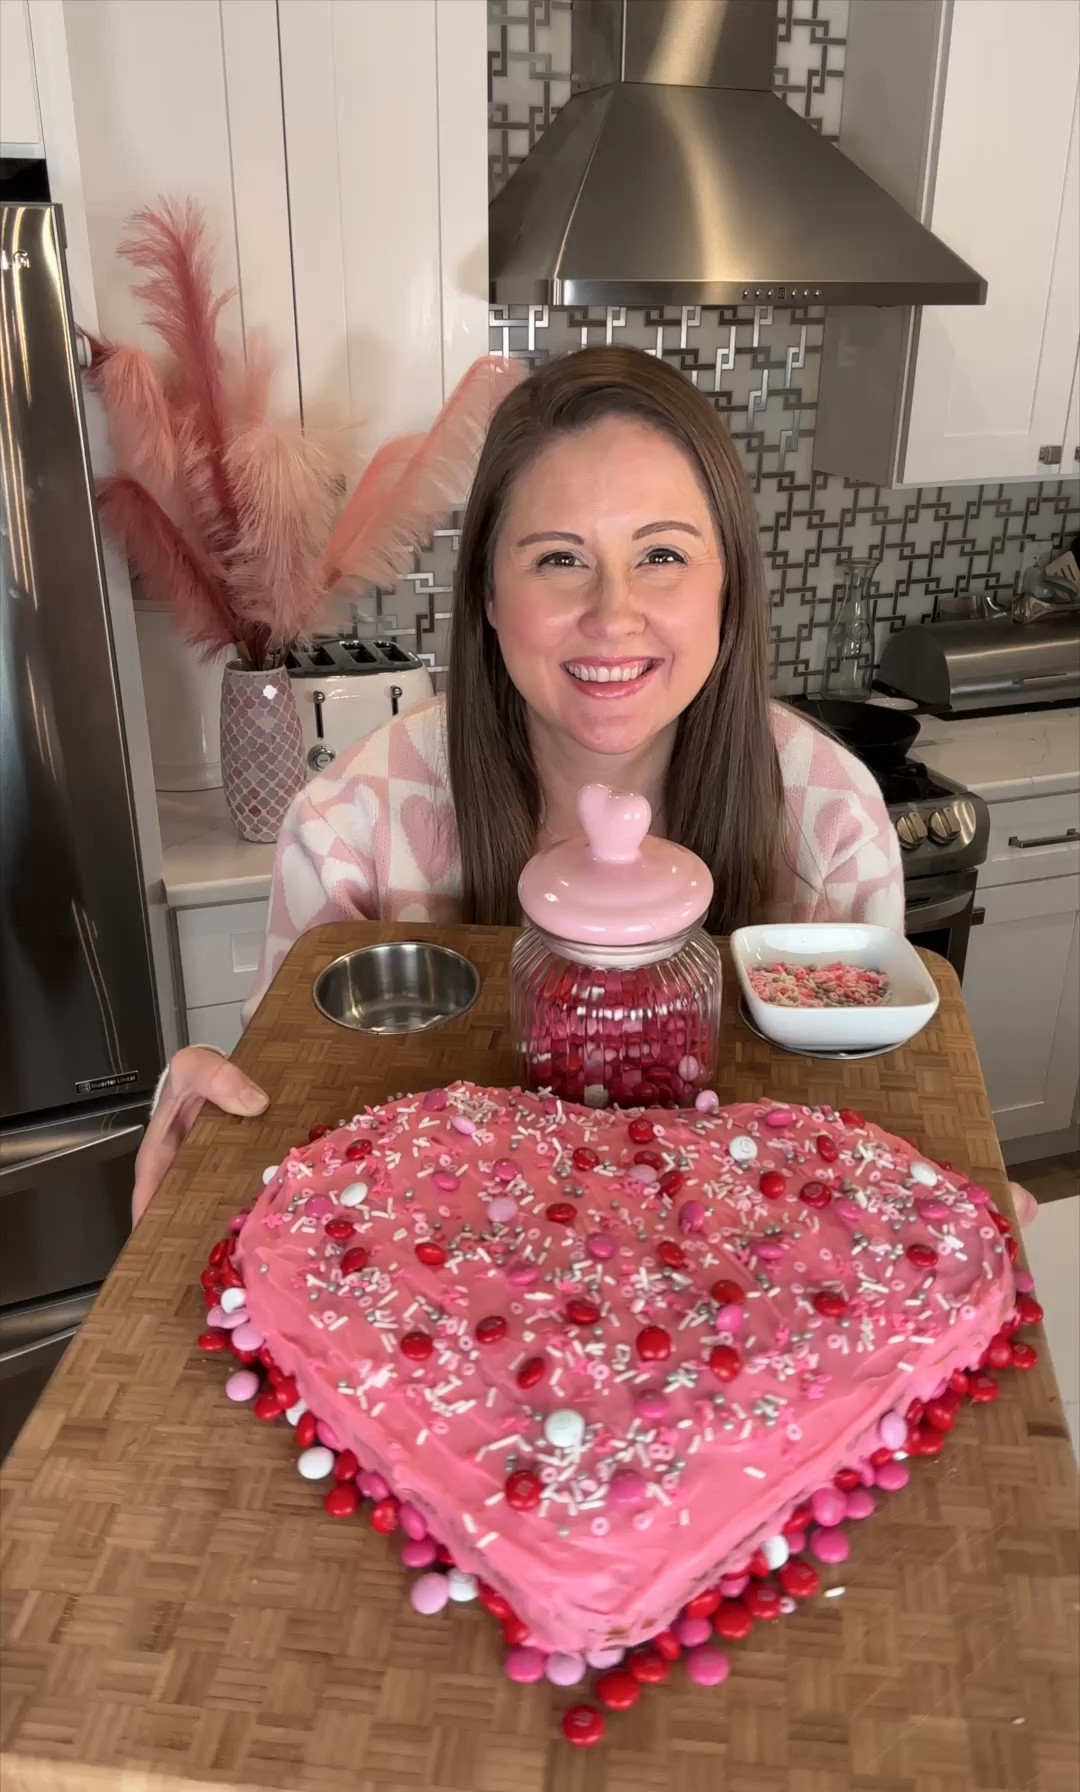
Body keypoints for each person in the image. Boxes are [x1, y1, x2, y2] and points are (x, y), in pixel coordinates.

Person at [132, 346, 910, 1222]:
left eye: (662, 554)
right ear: (488, 594)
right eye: (557, 560)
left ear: (729, 588)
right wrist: (216, 1121)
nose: (613, 615)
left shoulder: (830, 818)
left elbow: (860, 1137)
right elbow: (291, 1119)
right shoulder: (354, 824)